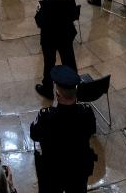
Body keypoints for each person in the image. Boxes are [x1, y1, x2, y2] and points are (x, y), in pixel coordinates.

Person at [30, 65, 96, 193]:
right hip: (78, 171)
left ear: (57, 94)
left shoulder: (46, 115)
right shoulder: (87, 112)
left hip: (52, 172)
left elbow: (34, 134)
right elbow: (92, 130)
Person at [34, 0, 78, 99]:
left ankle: (47, 89)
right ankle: (72, 87)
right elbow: (74, 16)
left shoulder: (44, 3)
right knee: (69, 61)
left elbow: (39, 23)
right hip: (66, 36)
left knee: (49, 63)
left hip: (49, 39)